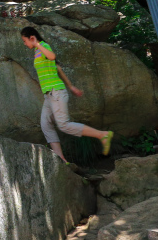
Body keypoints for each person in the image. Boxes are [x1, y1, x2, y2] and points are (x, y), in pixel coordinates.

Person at [22, 26, 114, 161]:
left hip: (55, 92)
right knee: (46, 124)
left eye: (25, 41)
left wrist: (37, 44)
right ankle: (62, 161)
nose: (25, 44)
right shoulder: (37, 51)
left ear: (31, 38)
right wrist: (71, 86)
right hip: (49, 95)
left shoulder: (43, 46)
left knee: (63, 125)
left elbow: (52, 57)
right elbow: (57, 68)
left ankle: (102, 135)